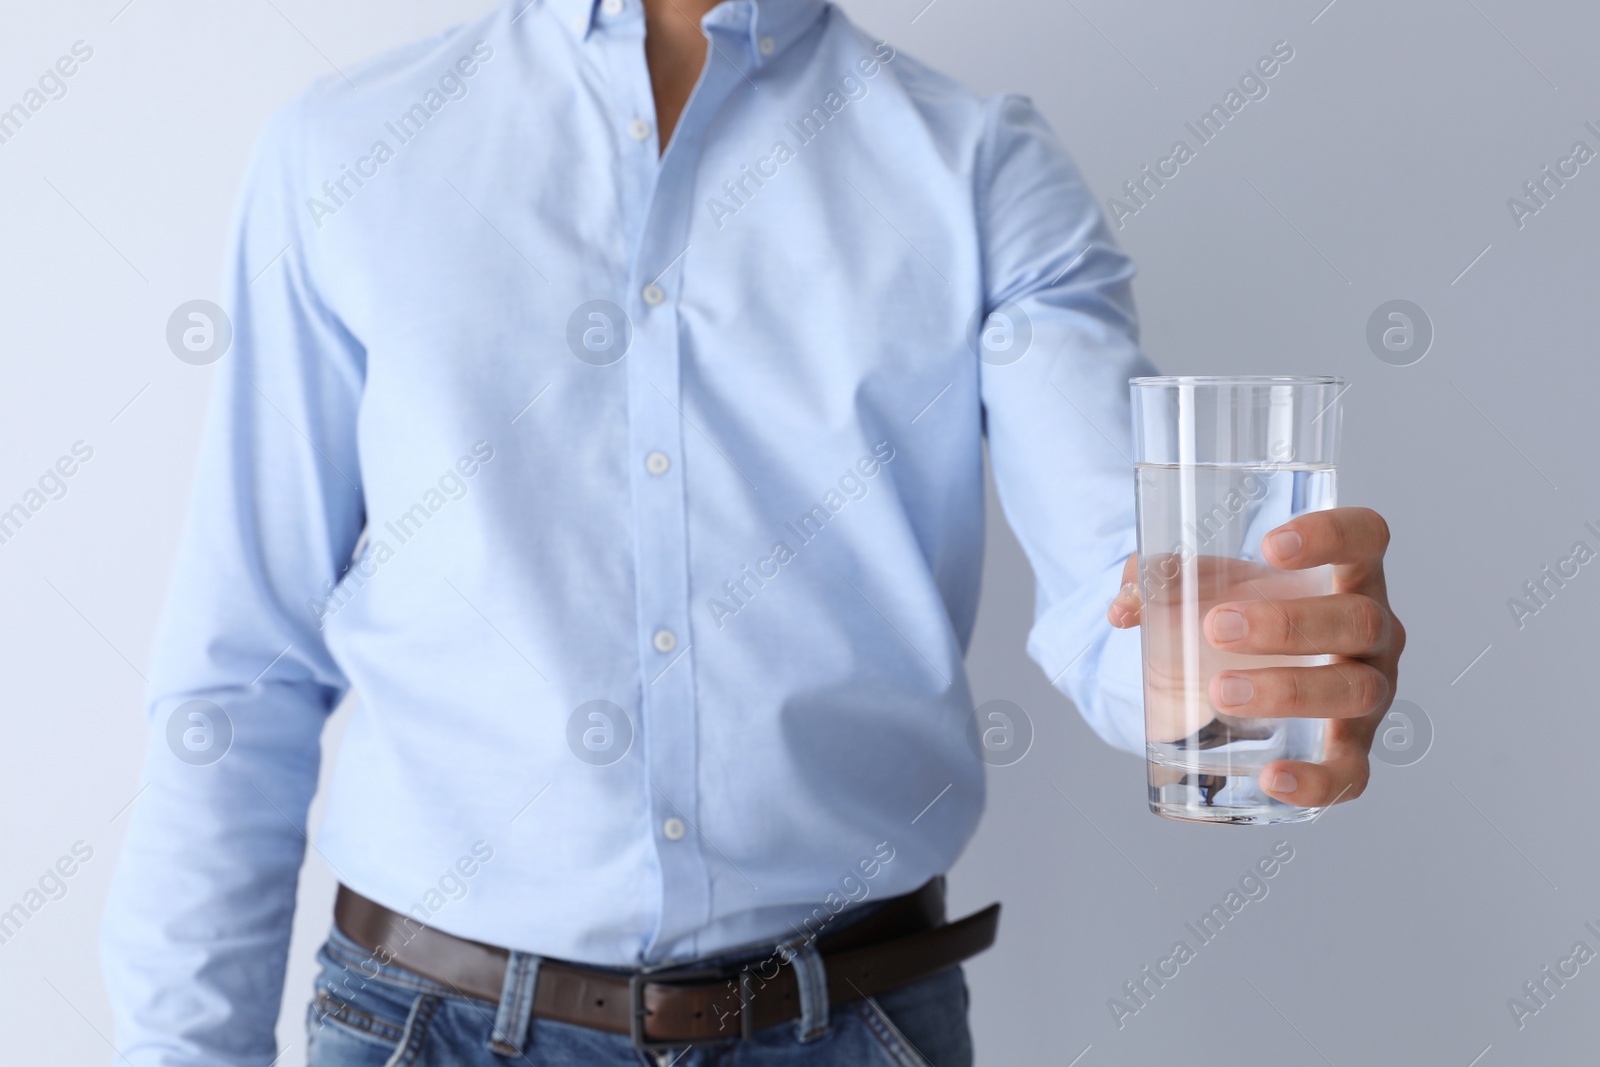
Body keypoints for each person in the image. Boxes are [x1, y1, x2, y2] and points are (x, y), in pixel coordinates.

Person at [100, 0, 1406, 1064]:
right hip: (426, 1029)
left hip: (852, 1029)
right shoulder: (344, 153)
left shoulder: (980, 167)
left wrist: (1216, 673)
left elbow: (1116, 585)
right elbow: (246, 668)